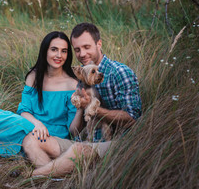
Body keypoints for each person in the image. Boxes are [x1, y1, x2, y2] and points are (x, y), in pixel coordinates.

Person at [23, 23, 142, 176]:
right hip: (87, 142)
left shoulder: (119, 72)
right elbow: (74, 131)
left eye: (87, 47)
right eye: (77, 49)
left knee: (78, 150)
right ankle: (55, 179)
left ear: (99, 44)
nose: (82, 54)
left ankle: (30, 177)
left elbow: (132, 120)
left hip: (118, 143)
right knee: (32, 140)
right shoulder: (80, 79)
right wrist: (81, 108)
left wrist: (94, 109)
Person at [0, 31, 79, 157]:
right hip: (32, 126)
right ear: (45, 51)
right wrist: (37, 123)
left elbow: (72, 128)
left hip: (53, 134)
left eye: (64, 51)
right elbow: (24, 110)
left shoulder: (72, 84)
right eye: (54, 49)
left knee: (8, 122)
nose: (59, 55)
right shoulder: (34, 76)